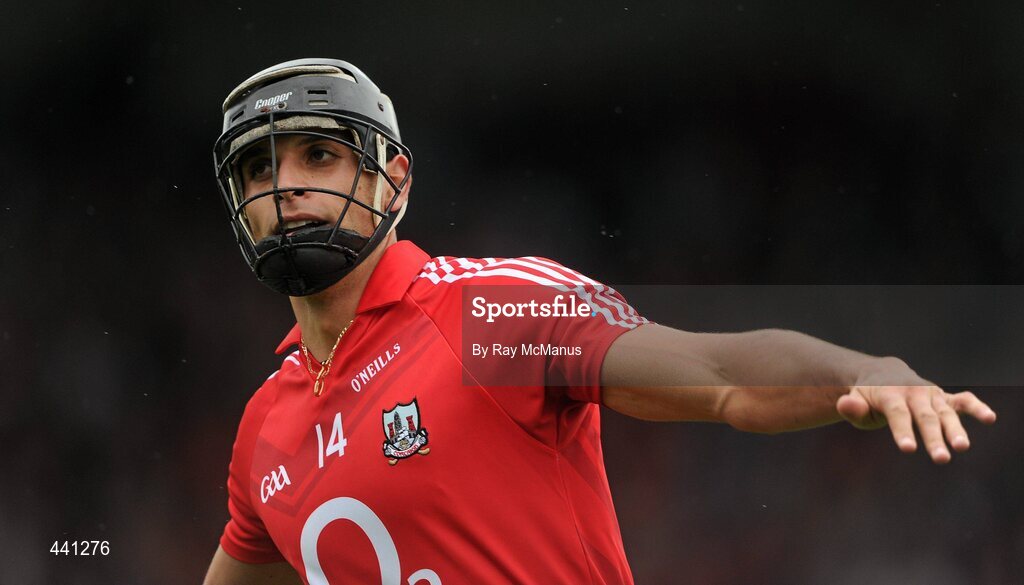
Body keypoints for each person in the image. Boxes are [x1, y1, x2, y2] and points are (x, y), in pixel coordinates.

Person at [203, 58, 998, 585]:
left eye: (317, 155)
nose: (284, 187)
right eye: (258, 168)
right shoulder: (264, 429)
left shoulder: (490, 309)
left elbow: (721, 377)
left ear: (393, 179)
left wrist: (859, 371)